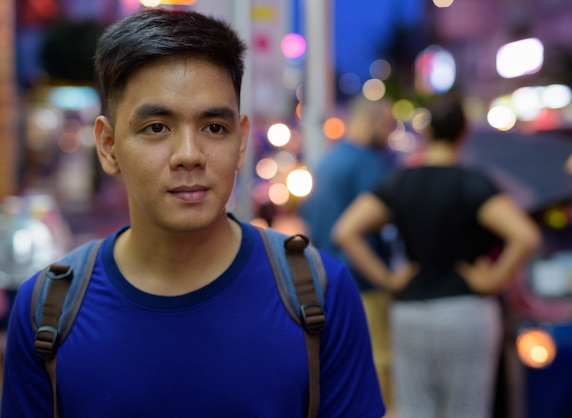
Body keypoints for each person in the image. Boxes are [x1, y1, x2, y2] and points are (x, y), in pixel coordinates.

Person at [1, 8, 385, 418]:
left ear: (241, 142)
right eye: (157, 128)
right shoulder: (48, 310)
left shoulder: (320, 294)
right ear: (108, 145)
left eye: (214, 128)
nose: (189, 155)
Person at [332, 96, 541, 418]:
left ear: (427, 132)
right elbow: (525, 236)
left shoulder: (400, 181)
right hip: (466, 310)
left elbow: (346, 232)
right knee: (467, 410)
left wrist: (387, 279)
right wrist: (494, 279)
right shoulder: (472, 184)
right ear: (464, 134)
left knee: (414, 409)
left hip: (411, 311)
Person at [298, 96, 397, 407]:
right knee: (378, 365)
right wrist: (386, 278)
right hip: (365, 283)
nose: (390, 133)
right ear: (370, 121)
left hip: (327, 283)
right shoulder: (368, 162)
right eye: (388, 125)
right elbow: (381, 223)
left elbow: (310, 220)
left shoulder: (327, 161)